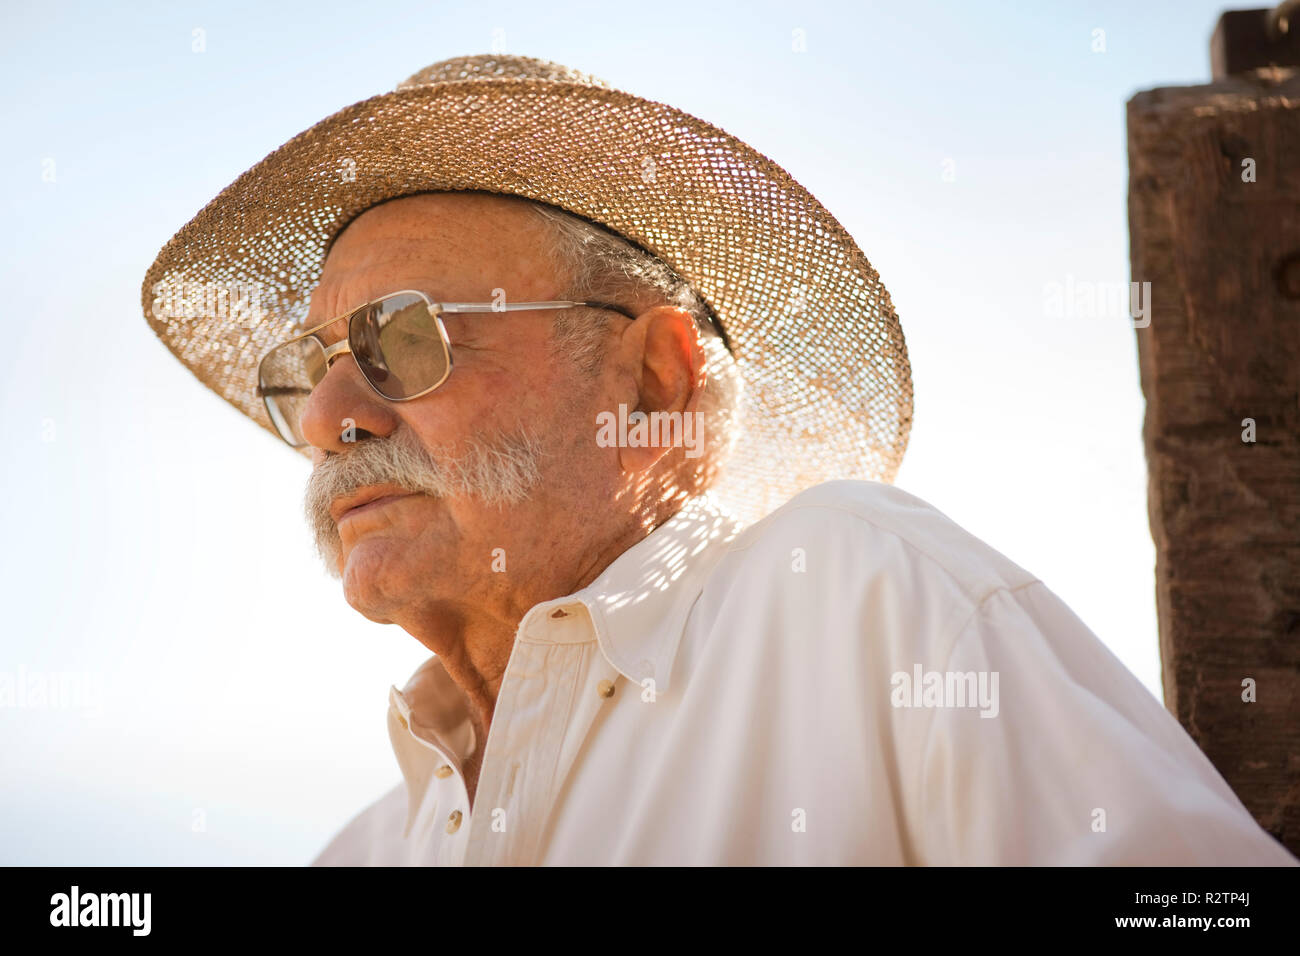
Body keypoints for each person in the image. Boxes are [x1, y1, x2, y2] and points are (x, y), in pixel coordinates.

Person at [141, 55, 1297, 866]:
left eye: (402, 338)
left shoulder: (858, 595)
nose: (327, 415)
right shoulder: (360, 855)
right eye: (308, 364)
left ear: (653, 377)